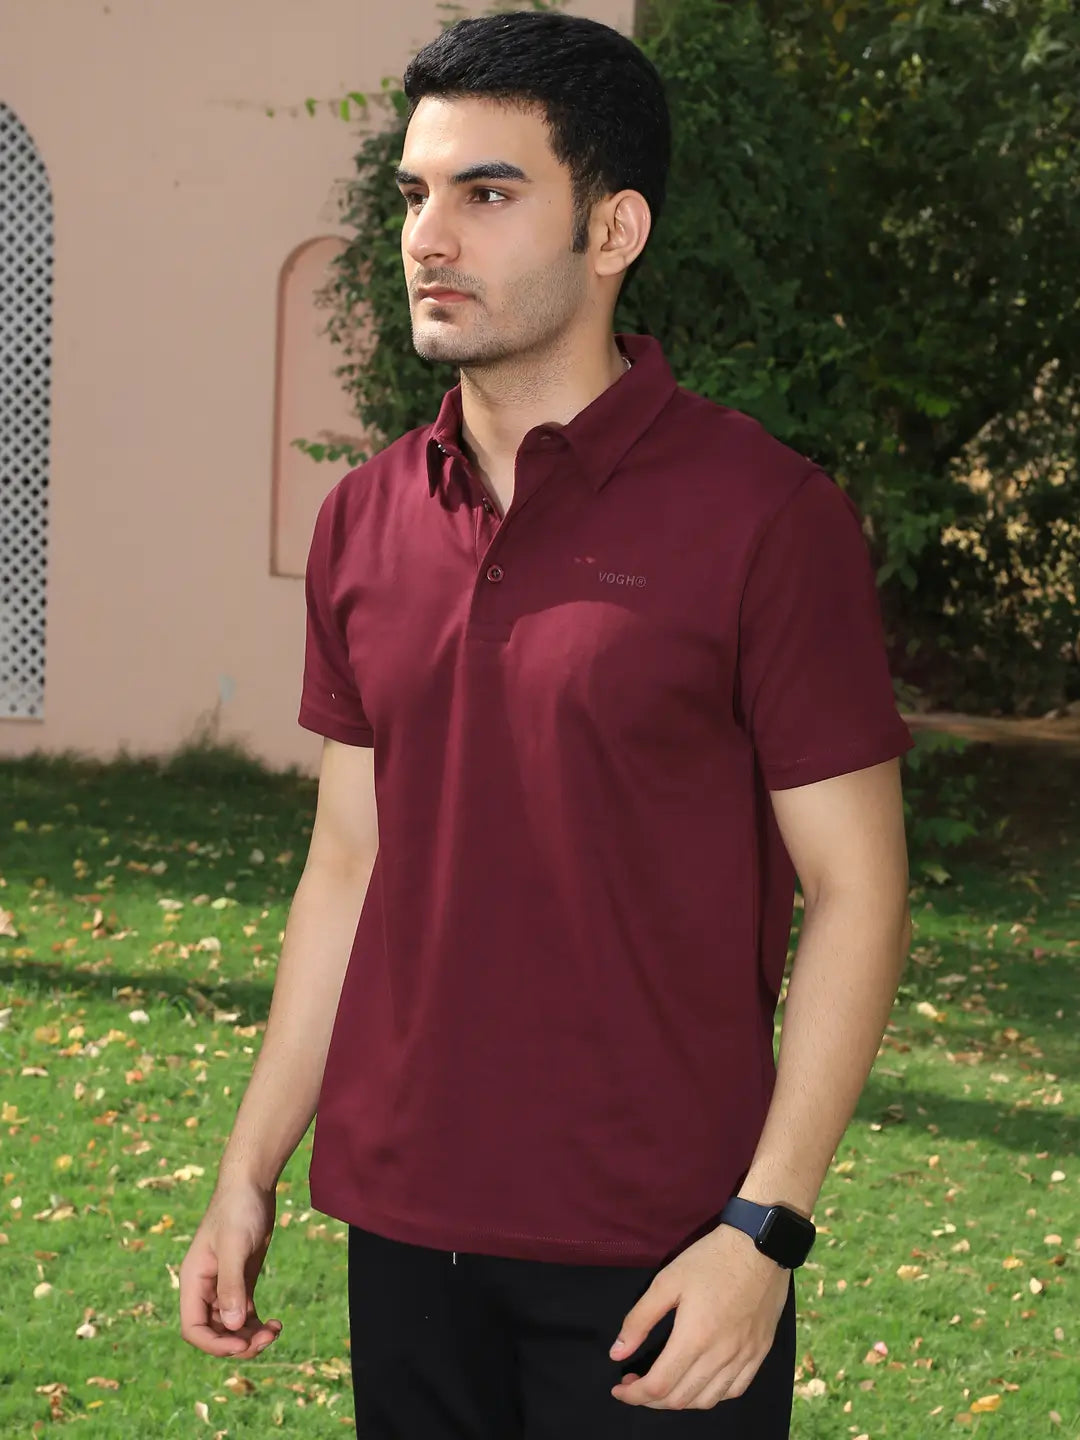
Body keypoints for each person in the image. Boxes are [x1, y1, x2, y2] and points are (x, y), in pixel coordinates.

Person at [179, 10, 913, 1436]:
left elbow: (860, 889)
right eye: (414, 193)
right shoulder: (367, 518)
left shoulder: (767, 519)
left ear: (614, 228)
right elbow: (347, 865)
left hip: (662, 1260)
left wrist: (765, 1232)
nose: (428, 236)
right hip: (402, 1233)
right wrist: (249, 1167)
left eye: (487, 193)